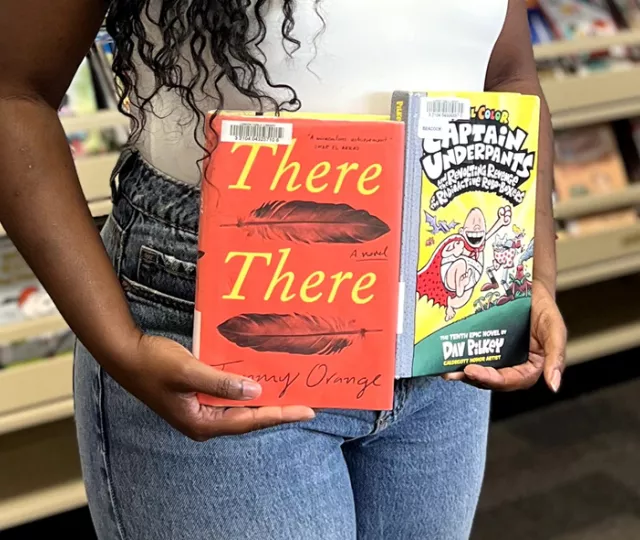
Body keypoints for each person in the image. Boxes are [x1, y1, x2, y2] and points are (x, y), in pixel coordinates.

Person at [0, 0, 566, 538]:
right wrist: (119, 345)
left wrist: (534, 272)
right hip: (213, 319)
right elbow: (13, 92)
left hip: (440, 325)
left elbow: (509, 73)